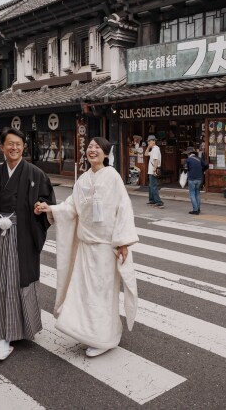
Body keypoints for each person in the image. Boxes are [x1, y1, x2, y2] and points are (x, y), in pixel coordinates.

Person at [35, 137, 138, 358]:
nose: (92, 150)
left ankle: (104, 338)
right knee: (83, 293)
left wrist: (122, 242)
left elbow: (123, 208)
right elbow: (71, 207)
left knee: (101, 293)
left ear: (106, 153)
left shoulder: (113, 177)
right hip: (85, 246)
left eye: (97, 148)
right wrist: (49, 208)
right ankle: (86, 332)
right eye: (90, 147)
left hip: (104, 247)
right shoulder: (82, 179)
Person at [0, 127, 56, 361]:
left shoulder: (36, 174)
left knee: (18, 281)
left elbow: (46, 202)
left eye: (18, 144)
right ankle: (5, 332)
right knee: (2, 282)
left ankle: (17, 331)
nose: (14, 148)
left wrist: (41, 207)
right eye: (10, 144)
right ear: (2, 147)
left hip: (22, 235)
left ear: (24, 147)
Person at [185, 149, 206, 215]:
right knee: (197, 193)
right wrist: (202, 170)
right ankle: (198, 208)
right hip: (199, 179)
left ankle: (195, 210)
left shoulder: (188, 160)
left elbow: (186, 169)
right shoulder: (199, 159)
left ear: (189, 154)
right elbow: (206, 165)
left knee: (192, 194)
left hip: (192, 179)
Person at [146, 135, 164, 208]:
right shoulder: (153, 149)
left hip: (153, 170)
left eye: (149, 141)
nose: (148, 142)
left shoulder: (156, 149)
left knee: (153, 186)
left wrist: (154, 169)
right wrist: (148, 147)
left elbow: (156, 160)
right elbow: (146, 154)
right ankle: (152, 200)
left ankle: (158, 201)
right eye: (148, 141)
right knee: (151, 186)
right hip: (151, 171)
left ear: (154, 141)